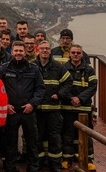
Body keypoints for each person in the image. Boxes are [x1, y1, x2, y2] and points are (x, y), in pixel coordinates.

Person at [0, 41, 45, 172]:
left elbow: (40, 89)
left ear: (25, 52)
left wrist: (32, 104)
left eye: (20, 51)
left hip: (28, 111)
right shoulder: (4, 68)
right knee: (10, 142)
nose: (18, 53)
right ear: (11, 52)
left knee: (32, 142)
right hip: (11, 111)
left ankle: (33, 167)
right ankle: (11, 167)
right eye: (16, 51)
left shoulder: (34, 68)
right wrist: (5, 105)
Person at [34, 41, 71, 172]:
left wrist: (60, 94)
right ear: (38, 50)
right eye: (42, 49)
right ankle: (37, 163)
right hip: (37, 109)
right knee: (37, 137)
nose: (45, 51)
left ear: (50, 51)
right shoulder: (32, 65)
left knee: (54, 137)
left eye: (47, 49)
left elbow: (68, 82)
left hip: (53, 109)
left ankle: (55, 164)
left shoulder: (58, 67)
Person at [61, 44, 98, 171]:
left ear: (82, 54)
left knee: (86, 134)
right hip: (68, 107)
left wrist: (80, 99)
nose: (76, 55)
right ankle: (67, 159)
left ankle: (87, 160)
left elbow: (93, 87)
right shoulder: (64, 68)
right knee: (67, 134)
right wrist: (71, 98)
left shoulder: (89, 70)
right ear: (69, 54)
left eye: (78, 53)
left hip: (84, 108)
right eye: (73, 52)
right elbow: (62, 86)